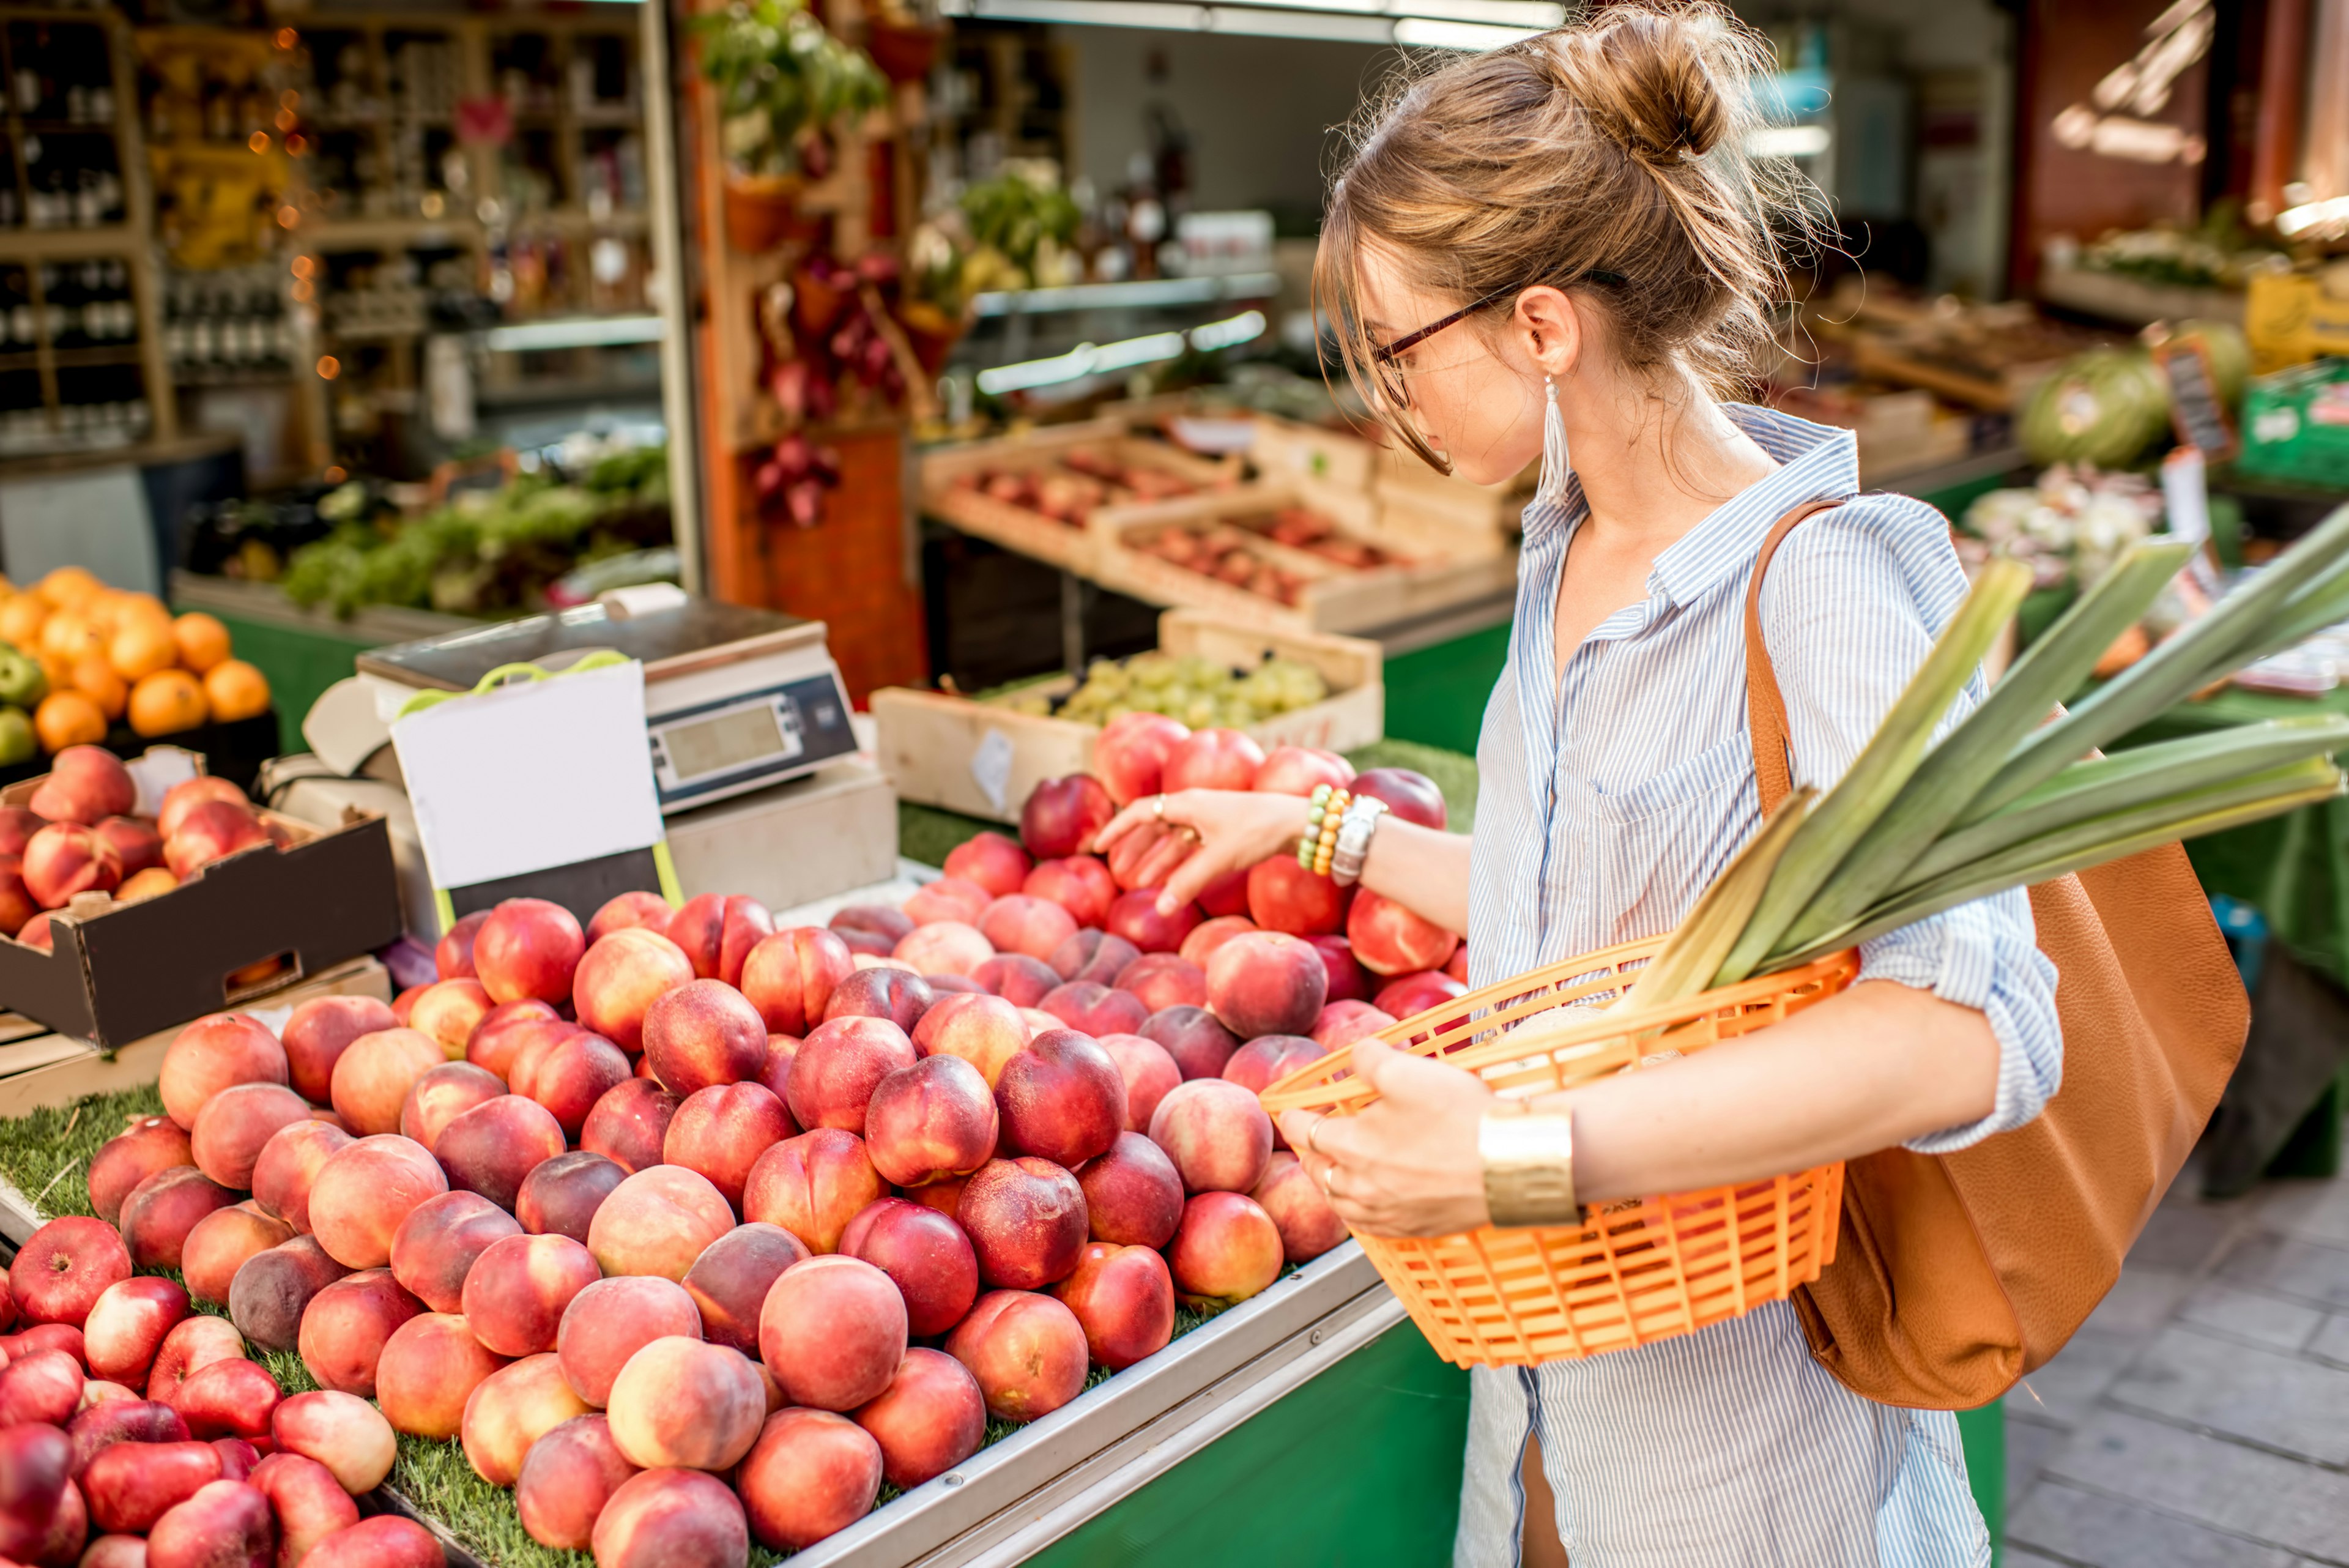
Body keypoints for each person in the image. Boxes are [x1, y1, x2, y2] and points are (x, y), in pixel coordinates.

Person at [1091, 6, 2059, 1565]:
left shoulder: (1826, 587)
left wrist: (1515, 1158)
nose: (1384, 401)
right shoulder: (1570, 542)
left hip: (1750, 1451)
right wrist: (1321, 831)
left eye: (1397, 350)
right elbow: (1587, 916)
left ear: (1542, 327)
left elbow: (1967, 1031)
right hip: (1549, 1407)